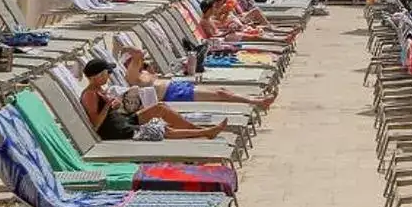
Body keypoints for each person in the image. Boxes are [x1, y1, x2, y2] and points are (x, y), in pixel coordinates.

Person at [80, 57, 226, 141]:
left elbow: (108, 111)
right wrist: (107, 107)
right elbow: (96, 125)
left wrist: (115, 106)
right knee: (161, 129)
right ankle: (205, 133)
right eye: (108, 72)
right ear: (97, 76)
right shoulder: (90, 95)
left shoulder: (98, 89)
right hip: (117, 131)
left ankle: (197, 129)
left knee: (160, 108)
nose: (109, 75)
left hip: (123, 120)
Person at [119, 47, 273, 112]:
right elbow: (138, 53)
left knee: (222, 91)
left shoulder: (142, 72)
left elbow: (140, 57)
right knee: (220, 94)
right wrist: (126, 49)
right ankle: (258, 102)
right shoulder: (131, 76)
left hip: (177, 87)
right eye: (134, 61)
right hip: (173, 95)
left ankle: (255, 99)